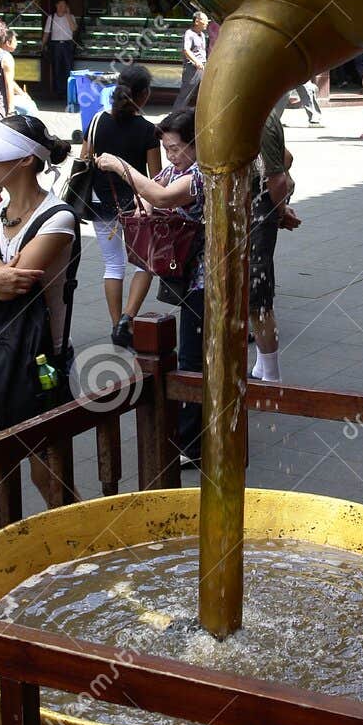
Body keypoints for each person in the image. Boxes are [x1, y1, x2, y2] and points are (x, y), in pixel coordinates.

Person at [0, 116, 78, 536]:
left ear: (25, 160)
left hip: (41, 363)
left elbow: (12, 291)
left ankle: (80, 553)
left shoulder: (57, 218)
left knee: (49, 477)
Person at [96, 107, 205, 467]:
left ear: (195, 144)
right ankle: (196, 431)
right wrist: (143, 203)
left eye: (175, 148)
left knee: (192, 357)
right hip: (185, 272)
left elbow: (162, 197)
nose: (171, 155)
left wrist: (121, 167)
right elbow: (152, 192)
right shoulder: (175, 170)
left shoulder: (201, 174)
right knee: (192, 353)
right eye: (167, 149)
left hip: (207, 276)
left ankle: (192, 442)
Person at [81, 64, 161, 350]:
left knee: (112, 265)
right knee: (145, 263)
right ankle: (128, 318)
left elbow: (85, 160)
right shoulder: (148, 130)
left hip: (100, 203)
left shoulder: (97, 121)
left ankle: (116, 324)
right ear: (144, 94)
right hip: (137, 206)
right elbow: (156, 177)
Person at [249, 97, 299, 383]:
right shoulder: (263, 114)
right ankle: (262, 367)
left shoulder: (261, 118)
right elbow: (286, 160)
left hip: (255, 214)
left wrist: (279, 211)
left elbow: (279, 175)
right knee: (253, 295)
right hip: (255, 210)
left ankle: (271, 376)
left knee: (257, 300)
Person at [42, 0, 77, 101]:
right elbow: (46, 32)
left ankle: (69, 92)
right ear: (56, 5)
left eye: (64, 5)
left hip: (67, 44)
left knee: (68, 68)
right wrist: (42, 44)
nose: (62, 7)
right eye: (60, 5)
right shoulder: (51, 17)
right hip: (55, 45)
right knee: (57, 68)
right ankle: (59, 92)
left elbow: (74, 28)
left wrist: (68, 15)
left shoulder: (71, 16)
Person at [175, 11, 208, 108]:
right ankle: (175, 115)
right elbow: (186, 50)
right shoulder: (189, 33)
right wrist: (196, 61)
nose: (207, 23)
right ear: (197, 21)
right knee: (185, 94)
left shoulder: (202, 35)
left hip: (203, 67)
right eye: (205, 20)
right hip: (192, 68)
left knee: (204, 94)